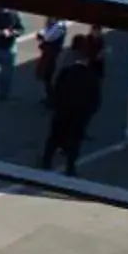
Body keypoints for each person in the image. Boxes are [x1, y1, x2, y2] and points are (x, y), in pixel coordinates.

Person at [44, 33, 104, 173]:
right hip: (80, 113)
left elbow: (57, 89)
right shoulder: (92, 77)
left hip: (63, 110)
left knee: (55, 136)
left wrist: (56, 104)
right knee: (75, 140)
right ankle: (70, 167)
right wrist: (90, 112)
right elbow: (95, 98)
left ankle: (46, 161)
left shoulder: (67, 72)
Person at [35, 15, 70, 100]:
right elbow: (44, 33)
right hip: (49, 54)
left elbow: (48, 37)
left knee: (51, 76)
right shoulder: (53, 25)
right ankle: (49, 97)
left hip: (54, 55)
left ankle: (53, 98)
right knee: (46, 76)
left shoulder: (60, 26)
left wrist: (42, 36)